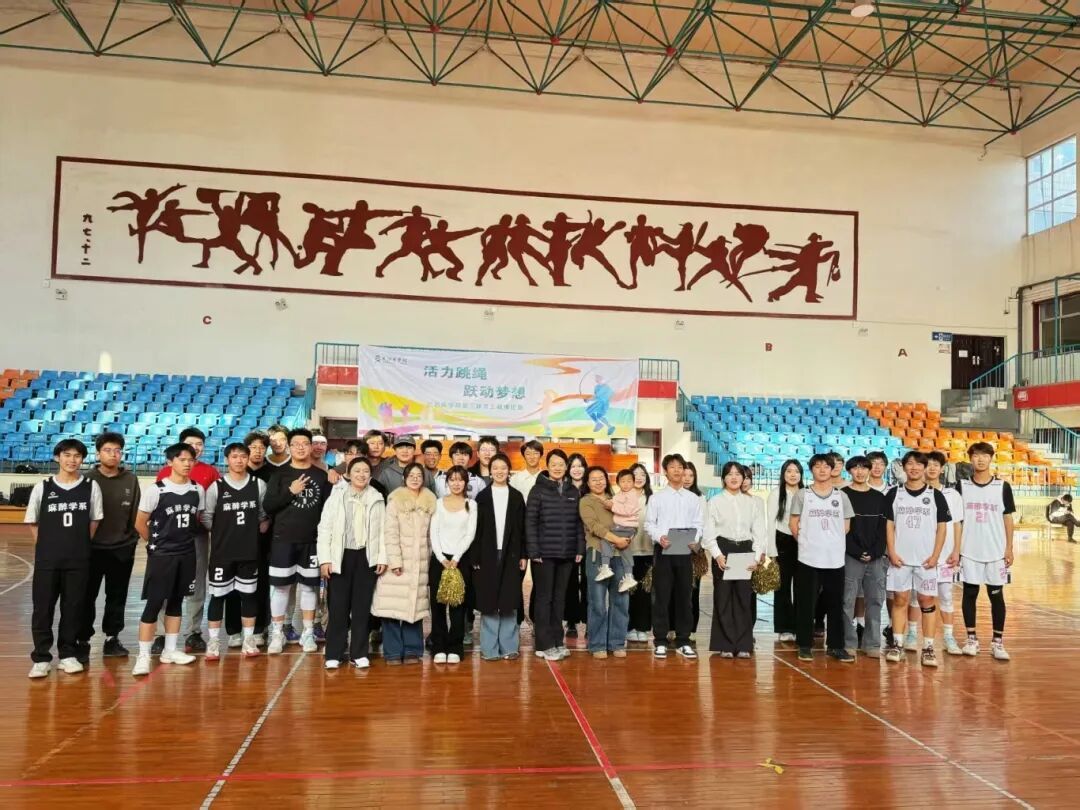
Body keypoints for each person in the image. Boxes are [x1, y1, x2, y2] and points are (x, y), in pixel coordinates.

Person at [25, 439, 103, 678]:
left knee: (73, 608)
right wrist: (47, 546)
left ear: (83, 459)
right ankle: (41, 658)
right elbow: (32, 521)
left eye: (77, 456)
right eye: (67, 455)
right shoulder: (43, 487)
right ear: (57, 457)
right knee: (43, 609)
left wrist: (78, 544)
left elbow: (94, 520)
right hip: (48, 560)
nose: (72, 460)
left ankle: (67, 654)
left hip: (78, 560)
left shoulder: (90, 486)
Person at [132, 443, 204, 676]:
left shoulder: (197, 489)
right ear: (170, 462)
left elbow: (197, 519)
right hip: (162, 555)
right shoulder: (157, 490)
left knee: (176, 602)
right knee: (154, 603)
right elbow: (140, 523)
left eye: (190, 460)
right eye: (182, 459)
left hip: (187, 553)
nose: (187, 464)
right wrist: (154, 544)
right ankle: (143, 655)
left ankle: (170, 650)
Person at [263, 428, 331, 655]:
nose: (301, 447)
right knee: (281, 588)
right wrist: (291, 492)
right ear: (289, 447)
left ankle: (308, 633)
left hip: (311, 542)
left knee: (310, 588)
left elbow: (327, 511)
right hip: (283, 540)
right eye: (296, 444)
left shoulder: (321, 476)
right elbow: (268, 506)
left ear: (311, 447)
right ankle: (277, 633)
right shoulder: (279, 475)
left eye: (305, 443)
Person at [317, 456, 386, 670]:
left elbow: (383, 531)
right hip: (340, 556)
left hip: (366, 557)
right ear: (348, 473)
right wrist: (325, 559)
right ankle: (334, 653)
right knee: (338, 607)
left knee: (362, 608)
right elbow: (324, 528)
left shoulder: (377, 497)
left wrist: (382, 557)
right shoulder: (337, 495)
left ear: (370, 475)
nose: (361, 475)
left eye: (365, 471)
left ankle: (359, 653)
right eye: (357, 471)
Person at [883, 451, 951, 667]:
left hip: (926, 561)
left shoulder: (936, 495)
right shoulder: (894, 494)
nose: (914, 468)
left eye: (918, 464)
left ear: (924, 467)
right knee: (900, 600)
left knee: (927, 601)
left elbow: (942, 528)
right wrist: (891, 552)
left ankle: (928, 648)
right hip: (900, 560)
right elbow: (889, 526)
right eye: (910, 464)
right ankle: (897, 644)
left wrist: (936, 556)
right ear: (904, 467)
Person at [201, 442, 268, 660]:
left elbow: (263, 515)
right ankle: (213, 642)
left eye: (242, 456)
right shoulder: (216, 487)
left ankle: (248, 639)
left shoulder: (258, 485)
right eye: (234, 456)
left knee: (249, 596)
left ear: (248, 459)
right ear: (226, 460)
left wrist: (254, 532)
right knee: (218, 596)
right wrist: (224, 533)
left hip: (249, 553)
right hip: (222, 554)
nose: (239, 460)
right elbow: (207, 517)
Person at [79, 432, 139, 662]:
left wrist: (130, 541)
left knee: (117, 596)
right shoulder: (86, 479)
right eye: (107, 450)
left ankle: (112, 638)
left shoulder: (130, 479)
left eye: (117, 451)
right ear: (98, 454)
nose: (113, 455)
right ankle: (82, 640)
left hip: (122, 549)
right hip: (91, 549)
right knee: (86, 596)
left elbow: (135, 513)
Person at [790, 453, 855, 663]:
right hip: (808, 558)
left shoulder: (841, 496)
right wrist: (807, 542)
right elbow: (793, 524)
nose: (822, 470)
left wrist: (830, 541)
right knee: (806, 603)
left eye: (826, 466)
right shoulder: (803, 495)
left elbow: (846, 526)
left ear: (832, 469)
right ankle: (804, 645)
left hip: (835, 559)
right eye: (817, 466)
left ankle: (836, 646)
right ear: (812, 470)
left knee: (835, 603)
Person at [956, 441, 1016, 661]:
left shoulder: (1002, 486)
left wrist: (1009, 548)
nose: (980, 459)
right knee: (969, 593)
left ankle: (997, 642)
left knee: (996, 596)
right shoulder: (962, 486)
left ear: (991, 458)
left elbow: (1008, 518)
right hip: (969, 550)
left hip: (996, 551)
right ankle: (971, 639)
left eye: (984, 455)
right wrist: (956, 549)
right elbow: (957, 521)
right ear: (970, 458)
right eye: (976, 455)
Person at [372, 462, 436, 665]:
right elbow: (389, 533)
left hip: (421, 563)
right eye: (411, 475)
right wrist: (394, 561)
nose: (415, 479)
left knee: (415, 607)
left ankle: (412, 650)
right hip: (398, 564)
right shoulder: (395, 501)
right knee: (391, 607)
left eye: (419, 475)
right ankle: (392, 652)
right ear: (404, 478)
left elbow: (433, 535)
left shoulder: (430, 502)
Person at [703, 462, 766, 658]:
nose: (734, 477)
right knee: (723, 597)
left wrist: (757, 556)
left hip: (745, 549)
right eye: (729, 474)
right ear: (723, 478)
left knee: (743, 598)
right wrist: (717, 554)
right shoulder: (714, 502)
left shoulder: (751, 503)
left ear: (743, 478)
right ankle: (726, 644)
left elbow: (759, 531)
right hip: (724, 549)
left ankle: (743, 644)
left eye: (738, 474)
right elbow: (708, 532)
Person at [526, 449, 585, 661]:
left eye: (561, 464)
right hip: (543, 555)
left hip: (567, 554)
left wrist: (579, 548)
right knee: (544, 599)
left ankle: (557, 641)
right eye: (554, 464)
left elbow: (578, 523)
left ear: (566, 467)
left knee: (560, 599)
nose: (557, 468)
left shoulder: (573, 491)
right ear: (548, 466)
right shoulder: (537, 490)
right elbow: (530, 522)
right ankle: (544, 644)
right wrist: (534, 551)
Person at [644, 453, 703, 659]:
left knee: (685, 596)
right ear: (665, 471)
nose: (677, 470)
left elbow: (698, 523)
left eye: (680, 467)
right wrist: (659, 537)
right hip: (664, 550)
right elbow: (649, 524)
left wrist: (694, 538)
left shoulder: (693, 498)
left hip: (684, 550)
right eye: (672, 467)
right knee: (661, 596)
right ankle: (660, 640)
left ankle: (683, 640)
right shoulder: (656, 498)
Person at [474, 453, 528, 660]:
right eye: (495, 468)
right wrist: (475, 558)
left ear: (508, 471)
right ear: (490, 471)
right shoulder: (482, 497)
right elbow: (476, 530)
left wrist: (523, 554)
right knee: (489, 600)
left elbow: (522, 529)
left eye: (503, 468)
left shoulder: (516, 497)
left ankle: (509, 646)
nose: (499, 471)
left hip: (511, 554)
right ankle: (489, 649)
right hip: (487, 554)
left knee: (509, 599)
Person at [580, 466, 632, 659]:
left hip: (620, 555)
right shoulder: (586, 501)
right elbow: (594, 526)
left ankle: (617, 642)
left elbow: (629, 520)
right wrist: (616, 539)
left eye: (601, 478)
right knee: (598, 602)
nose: (598, 482)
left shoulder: (616, 499)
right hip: (598, 555)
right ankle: (597, 644)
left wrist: (628, 538)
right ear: (587, 483)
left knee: (621, 600)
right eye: (593, 479)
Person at [429, 466, 478, 664]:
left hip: (461, 559)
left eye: (460, 480)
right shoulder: (438, 503)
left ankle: (455, 647)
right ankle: (439, 646)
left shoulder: (471, 505)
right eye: (452, 479)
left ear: (465, 483)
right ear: (447, 482)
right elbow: (434, 532)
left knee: (458, 605)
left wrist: (456, 557)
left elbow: (470, 534)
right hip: (439, 559)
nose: (456, 483)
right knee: (438, 604)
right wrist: (441, 558)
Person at [840, 456, 887, 658]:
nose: (860, 472)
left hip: (875, 558)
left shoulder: (879, 498)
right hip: (851, 556)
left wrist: (875, 552)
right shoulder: (842, 495)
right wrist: (856, 551)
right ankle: (848, 642)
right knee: (847, 601)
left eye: (863, 468)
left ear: (869, 470)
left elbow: (884, 529)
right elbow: (841, 529)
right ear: (849, 471)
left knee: (875, 601)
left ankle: (872, 644)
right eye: (855, 468)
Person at [926, 451, 964, 656]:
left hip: (946, 556)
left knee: (946, 596)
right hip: (922, 555)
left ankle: (949, 637)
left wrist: (956, 550)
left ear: (942, 469)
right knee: (919, 598)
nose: (932, 468)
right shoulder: (915, 492)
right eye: (928, 464)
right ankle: (913, 635)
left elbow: (957, 524)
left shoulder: (953, 495)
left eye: (936, 465)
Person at [766, 459, 803, 642]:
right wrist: (772, 552)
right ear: (783, 474)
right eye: (789, 471)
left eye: (796, 471)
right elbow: (770, 523)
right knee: (783, 587)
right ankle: (784, 627)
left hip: (803, 542)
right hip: (782, 541)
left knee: (802, 587)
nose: (793, 474)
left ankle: (800, 626)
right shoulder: (776, 494)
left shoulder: (806, 493)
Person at [244, 430, 274, 646]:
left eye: (262, 448)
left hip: (265, 537)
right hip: (239, 537)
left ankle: (260, 628)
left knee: (262, 583)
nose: (257, 451)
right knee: (239, 584)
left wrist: (267, 521)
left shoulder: (272, 473)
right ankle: (237, 629)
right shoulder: (238, 471)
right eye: (253, 447)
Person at [625, 463, 654, 643]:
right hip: (627, 551)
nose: (639, 477)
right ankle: (629, 627)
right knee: (629, 591)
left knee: (645, 592)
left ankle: (642, 628)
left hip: (648, 551)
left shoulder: (652, 498)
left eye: (642, 474)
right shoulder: (623, 497)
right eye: (635, 474)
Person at [563, 452, 589, 639]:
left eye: (580, 466)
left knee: (588, 583)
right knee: (570, 582)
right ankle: (571, 621)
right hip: (569, 541)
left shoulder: (591, 487)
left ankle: (588, 620)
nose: (577, 469)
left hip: (591, 541)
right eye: (573, 466)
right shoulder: (563, 488)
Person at [603, 469, 640, 592]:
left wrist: (612, 506)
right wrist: (609, 502)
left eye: (629, 481)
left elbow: (627, 510)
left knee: (606, 539)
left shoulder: (632, 495)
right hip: (622, 527)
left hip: (626, 527)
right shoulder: (620, 494)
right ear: (618, 483)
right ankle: (629, 577)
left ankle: (605, 567)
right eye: (623, 481)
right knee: (625, 550)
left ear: (633, 482)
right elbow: (614, 501)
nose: (626, 484)